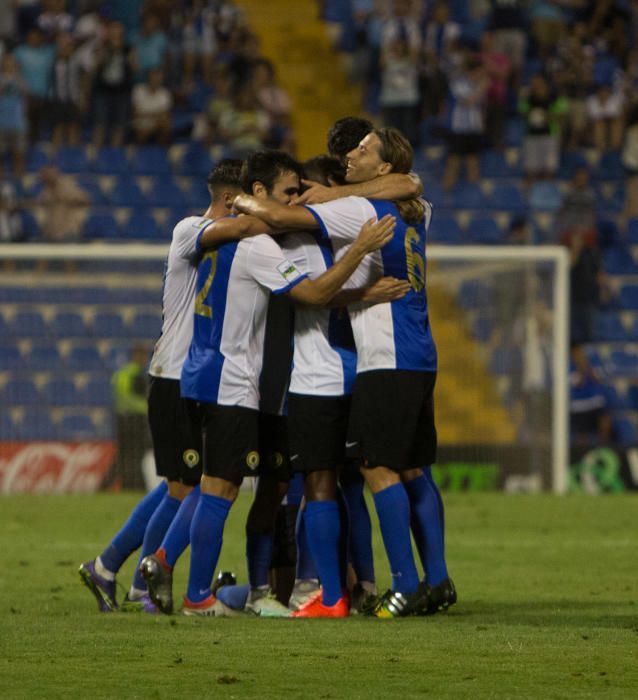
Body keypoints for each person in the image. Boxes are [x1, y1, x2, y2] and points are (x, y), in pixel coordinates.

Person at [148, 149, 397, 617]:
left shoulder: (210, 236)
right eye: (287, 193)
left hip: (204, 372)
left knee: (213, 485)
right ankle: (197, 596)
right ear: (255, 194)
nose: (295, 202)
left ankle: (166, 564)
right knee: (219, 489)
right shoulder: (258, 245)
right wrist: (360, 251)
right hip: (230, 379)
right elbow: (314, 294)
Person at [234, 127, 455, 617]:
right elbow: (410, 185)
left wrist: (244, 203)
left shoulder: (357, 211)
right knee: (412, 468)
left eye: (362, 151)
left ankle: (403, 584)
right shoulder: (417, 210)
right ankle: (436, 580)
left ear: (383, 166)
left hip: (385, 355)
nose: (351, 156)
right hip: (420, 352)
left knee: (374, 467)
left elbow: (277, 213)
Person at [78, 159, 257, 613]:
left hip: (194, 376)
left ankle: (112, 566)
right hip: (175, 375)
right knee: (187, 488)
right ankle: (135, 578)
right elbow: (228, 232)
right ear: (231, 199)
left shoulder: (231, 246)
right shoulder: (190, 229)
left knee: (184, 483)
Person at [107, 343, 151, 491]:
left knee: (123, 456)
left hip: (121, 420)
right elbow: (141, 401)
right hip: (135, 422)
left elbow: (120, 397)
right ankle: (135, 486)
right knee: (136, 456)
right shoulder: (137, 376)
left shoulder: (121, 374)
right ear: (138, 356)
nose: (145, 360)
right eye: (144, 356)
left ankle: (121, 485)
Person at [37, 165, 90, 241]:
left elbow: (86, 201)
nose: (44, 178)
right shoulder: (46, 191)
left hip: (67, 233)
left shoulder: (67, 185)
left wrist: (68, 199)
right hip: (52, 234)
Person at [131, 67, 172, 145]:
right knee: (142, 129)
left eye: (158, 77)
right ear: (148, 77)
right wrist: (155, 115)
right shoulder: (138, 90)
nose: (156, 79)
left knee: (166, 124)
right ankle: (139, 150)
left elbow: (165, 115)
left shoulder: (165, 93)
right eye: (154, 76)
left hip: (156, 123)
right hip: (141, 123)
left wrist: (146, 114)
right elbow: (135, 114)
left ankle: (164, 152)